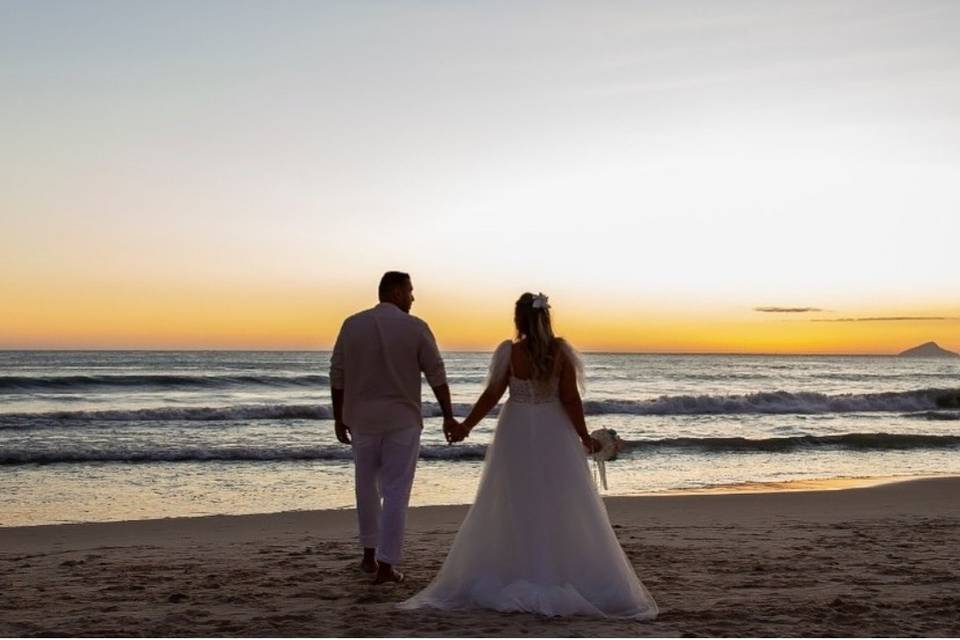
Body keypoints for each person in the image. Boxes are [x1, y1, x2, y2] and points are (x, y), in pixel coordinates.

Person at [399, 292, 658, 619]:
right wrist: (582, 435)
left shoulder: (510, 352)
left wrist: (466, 425)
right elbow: (570, 399)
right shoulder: (560, 353)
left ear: (518, 320)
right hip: (554, 430)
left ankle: (517, 567)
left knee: (513, 499)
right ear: (546, 318)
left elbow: (492, 394)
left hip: (516, 430)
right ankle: (557, 568)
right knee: (559, 499)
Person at [330, 271, 459, 584]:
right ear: (397, 291)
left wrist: (339, 416)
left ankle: (368, 556)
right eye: (410, 291)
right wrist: (448, 415)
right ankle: (386, 566)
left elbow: (337, 373)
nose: (413, 297)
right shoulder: (415, 328)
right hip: (401, 420)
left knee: (366, 488)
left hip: (362, 420)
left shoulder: (352, 324)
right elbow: (436, 374)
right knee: (396, 492)